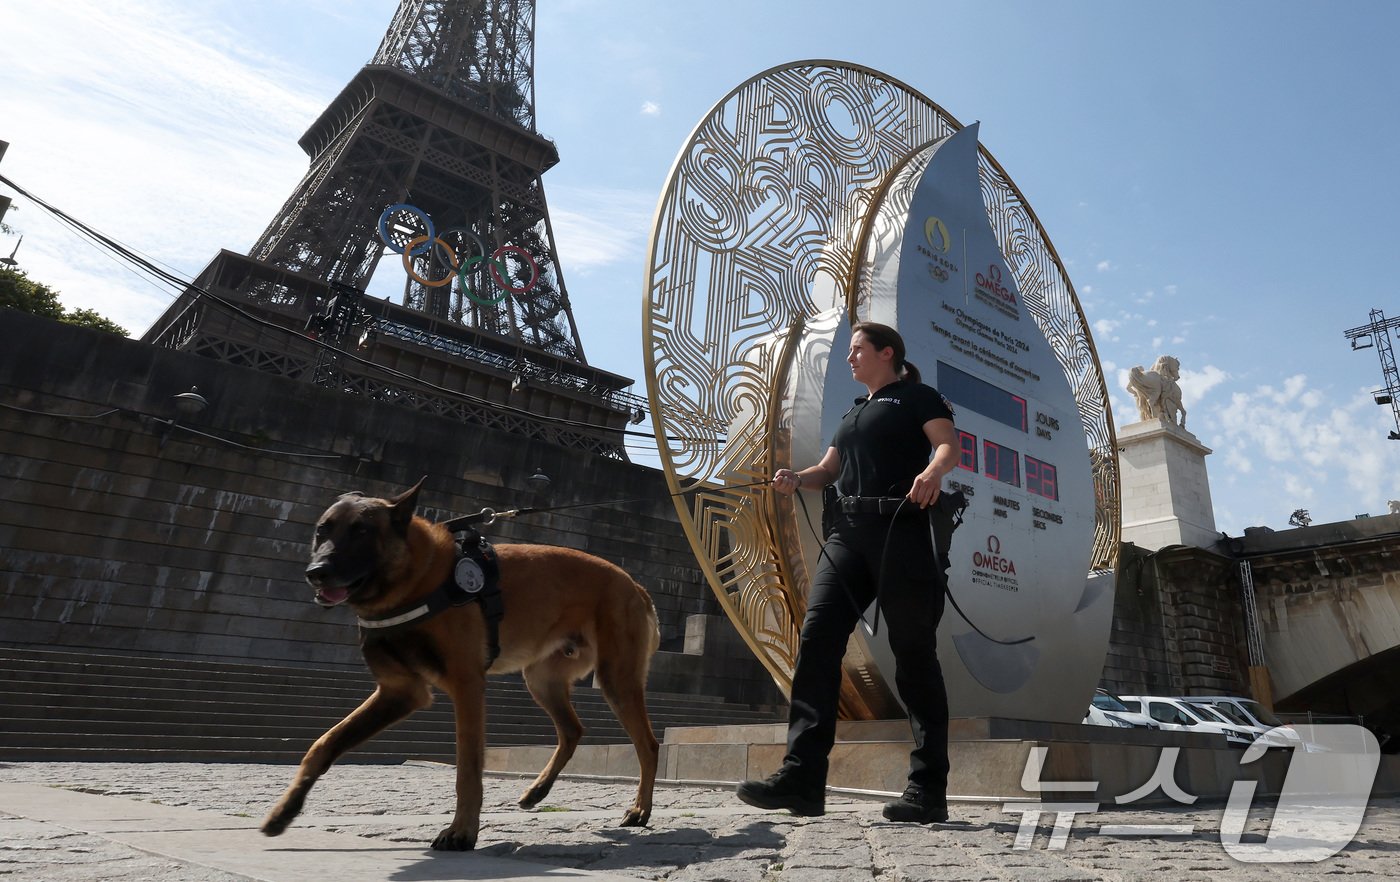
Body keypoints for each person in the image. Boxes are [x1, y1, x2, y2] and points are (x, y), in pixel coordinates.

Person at [736, 321, 959, 824]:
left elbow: (947, 446)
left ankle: (927, 790)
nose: (850, 358)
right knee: (816, 641)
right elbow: (828, 470)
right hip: (847, 535)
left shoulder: (919, 397)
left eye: (857, 350)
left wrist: (932, 472)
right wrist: (797, 478)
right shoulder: (853, 412)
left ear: (887, 352)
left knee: (913, 656)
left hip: (901, 530)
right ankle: (802, 777)